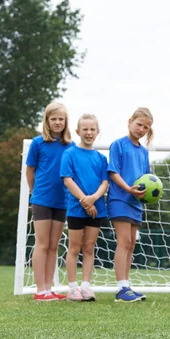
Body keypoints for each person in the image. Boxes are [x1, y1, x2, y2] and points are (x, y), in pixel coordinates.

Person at [26, 102, 75, 301]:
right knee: (42, 244)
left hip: (62, 201)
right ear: (47, 121)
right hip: (42, 200)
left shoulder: (71, 146)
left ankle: (49, 288)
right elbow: (30, 171)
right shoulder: (38, 143)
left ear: (65, 122)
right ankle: (40, 291)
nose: (57, 122)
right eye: (53, 119)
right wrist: (33, 192)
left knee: (54, 245)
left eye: (60, 119)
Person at [60, 114, 109, 302]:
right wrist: (84, 200)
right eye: (85, 129)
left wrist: (94, 198)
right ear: (78, 131)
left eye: (92, 129)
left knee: (89, 247)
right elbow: (67, 179)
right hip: (76, 208)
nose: (89, 133)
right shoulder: (70, 154)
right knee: (74, 248)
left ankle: (86, 287)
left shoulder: (101, 158)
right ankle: (73, 288)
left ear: (97, 132)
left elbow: (105, 182)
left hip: (97, 208)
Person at [107, 107, 153, 302]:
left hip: (135, 203)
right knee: (123, 242)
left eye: (146, 127)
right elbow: (113, 172)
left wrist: (145, 194)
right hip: (119, 199)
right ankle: (120, 289)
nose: (141, 129)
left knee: (132, 244)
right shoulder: (118, 145)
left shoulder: (143, 152)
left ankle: (126, 285)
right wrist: (128, 189)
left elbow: (147, 178)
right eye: (139, 124)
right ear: (130, 121)